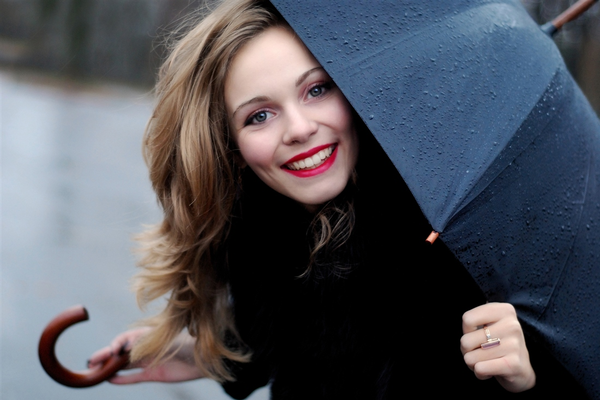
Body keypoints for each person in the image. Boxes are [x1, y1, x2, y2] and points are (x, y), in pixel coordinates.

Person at [89, 0, 587, 398]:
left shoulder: (460, 229)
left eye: (317, 89)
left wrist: (524, 379)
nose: (301, 129)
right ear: (230, 146)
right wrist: (190, 354)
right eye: (259, 116)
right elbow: (287, 344)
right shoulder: (258, 228)